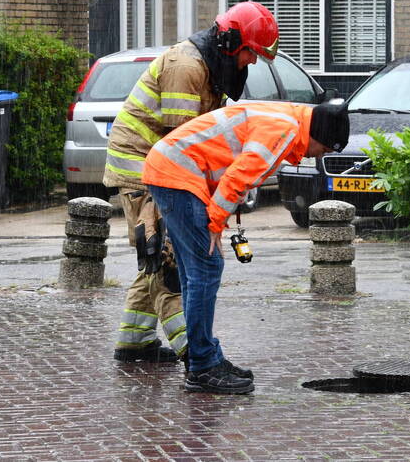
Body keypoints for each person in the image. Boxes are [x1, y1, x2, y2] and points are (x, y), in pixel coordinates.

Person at [103, 1, 279, 364]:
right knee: (166, 256)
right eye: (251, 53)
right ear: (231, 42)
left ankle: (134, 341)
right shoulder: (186, 67)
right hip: (143, 164)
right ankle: (194, 351)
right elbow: (178, 146)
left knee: (153, 255)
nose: (253, 62)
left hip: (159, 162)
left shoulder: (210, 67)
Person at [142, 100, 349, 394]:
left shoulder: (287, 120)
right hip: (178, 175)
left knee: (195, 272)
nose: (322, 154)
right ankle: (202, 367)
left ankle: (205, 357)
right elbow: (238, 177)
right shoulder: (283, 130)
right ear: (318, 136)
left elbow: (231, 168)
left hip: (172, 170)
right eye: (326, 148)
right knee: (205, 268)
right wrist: (215, 223)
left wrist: (217, 220)